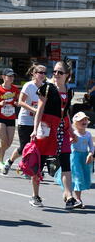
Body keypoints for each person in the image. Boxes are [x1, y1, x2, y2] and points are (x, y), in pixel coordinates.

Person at [31, 61, 79, 209]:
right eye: (55, 72)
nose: (56, 75)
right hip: (46, 129)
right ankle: (35, 195)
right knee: (39, 164)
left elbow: (66, 114)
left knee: (66, 163)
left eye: (60, 72)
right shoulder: (47, 88)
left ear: (67, 76)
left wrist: (71, 131)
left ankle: (69, 197)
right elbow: (39, 110)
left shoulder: (69, 91)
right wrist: (35, 129)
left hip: (62, 129)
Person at [2, 64, 46, 175]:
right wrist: (33, 109)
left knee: (37, 147)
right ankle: (10, 161)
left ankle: (29, 168)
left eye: (44, 73)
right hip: (26, 120)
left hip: (38, 121)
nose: (42, 75)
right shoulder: (29, 86)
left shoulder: (45, 87)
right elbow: (20, 102)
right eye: (40, 72)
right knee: (24, 147)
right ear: (34, 74)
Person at [54, 112, 93, 209]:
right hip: (74, 158)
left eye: (85, 120)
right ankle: (78, 199)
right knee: (77, 178)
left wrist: (90, 154)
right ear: (75, 123)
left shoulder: (88, 134)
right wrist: (70, 140)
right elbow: (67, 144)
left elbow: (92, 146)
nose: (84, 122)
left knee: (81, 178)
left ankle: (67, 195)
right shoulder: (73, 133)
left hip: (83, 159)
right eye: (81, 120)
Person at [0, 68, 20, 172]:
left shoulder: (15, 89)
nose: (11, 78)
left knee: (9, 143)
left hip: (11, 117)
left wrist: (17, 103)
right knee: (4, 140)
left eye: (12, 76)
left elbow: (19, 100)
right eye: (9, 76)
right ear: (3, 77)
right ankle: (1, 162)